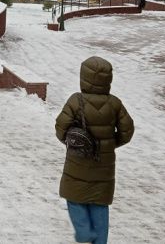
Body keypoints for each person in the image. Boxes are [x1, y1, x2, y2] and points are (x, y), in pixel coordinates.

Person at [56, 56, 135, 244]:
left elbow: (60, 128)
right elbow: (127, 131)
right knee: (99, 204)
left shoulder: (75, 101)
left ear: (84, 77)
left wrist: (73, 144)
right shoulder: (115, 104)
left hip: (77, 162)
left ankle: (83, 231)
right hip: (104, 166)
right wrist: (109, 144)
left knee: (74, 198)